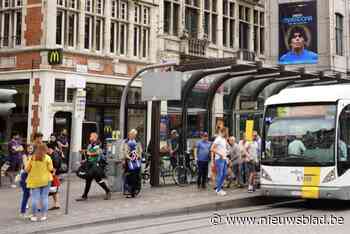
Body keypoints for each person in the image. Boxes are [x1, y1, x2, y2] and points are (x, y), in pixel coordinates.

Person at [76, 132, 111, 201]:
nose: (90, 138)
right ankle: (85, 196)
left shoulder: (98, 144)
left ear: (95, 138)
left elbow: (98, 152)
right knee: (89, 180)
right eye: (90, 136)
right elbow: (88, 156)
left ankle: (108, 191)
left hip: (95, 165)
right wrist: (84, 159)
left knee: (97, 180)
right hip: (90, 164)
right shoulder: (89, 145)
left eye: (91, 136)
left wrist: (88, 153)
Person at [25, 143, 53, 222]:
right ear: (45, 150)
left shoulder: (32, 158)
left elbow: (27, 170)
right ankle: (43, 215)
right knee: (44, 198)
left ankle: (34, 216)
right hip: (46, 180)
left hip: (34, 181)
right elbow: (51, 169)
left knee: (34, 198)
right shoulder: (48, 158)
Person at [122, 129, 143, 198]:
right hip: (128, 161)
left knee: (136, 176)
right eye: (132, 134)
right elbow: (123, 151)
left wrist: (138, 156)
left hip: (136, 161)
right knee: (129, 176)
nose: (133, 136)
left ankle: (135, 190)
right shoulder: (125, 142)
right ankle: (128, 190)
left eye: (134, 135)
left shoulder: (137, 142)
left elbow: (140, 151)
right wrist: (125, 159)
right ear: (129, 134)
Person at [211, 127, 229, 196]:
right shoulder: (218, 139)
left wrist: (225, 155)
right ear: (223, 132)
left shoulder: (224, 139)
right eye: (226, 132)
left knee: (224, 174)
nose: (227, 133)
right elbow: (212, 149)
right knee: (220, 174)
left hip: (224, 159)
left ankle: (219, 189)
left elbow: (224, 149)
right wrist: (220, 154)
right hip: (219, 159)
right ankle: (218, 190)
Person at [19, 144, 34, 218]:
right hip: (25, 176)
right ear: (26, 149)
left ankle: (32, 211)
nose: (30, 150)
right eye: (29, 148)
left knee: (34, 194)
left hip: (32, 176)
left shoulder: (33, 156)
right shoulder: (25, 156)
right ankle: (23, 212)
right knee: (26, 194)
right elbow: (26, 167)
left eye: (31, 148)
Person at [47, 145, 62, 210]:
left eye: (47, 149)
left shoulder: (54, 155)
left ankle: (56, 204)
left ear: (50, 149)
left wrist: (53, 173)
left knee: (52, 190)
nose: (47, 150)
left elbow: (56, 165)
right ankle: (56, 204)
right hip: (53, 175)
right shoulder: (53, 154)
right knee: (54, 190)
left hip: (53, 175)